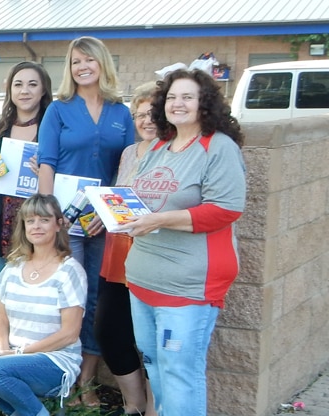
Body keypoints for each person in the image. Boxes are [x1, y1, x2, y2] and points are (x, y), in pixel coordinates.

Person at [123, 68, 247, 416]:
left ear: (204, 103)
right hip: (143, 279)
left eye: (188, 97)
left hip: (189, 284)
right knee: (157, 369)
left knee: (180, 373)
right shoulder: (159, 145)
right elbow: (142, 198)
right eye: (173, 97)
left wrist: (159, 220)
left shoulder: (218, 147)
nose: (178, 104)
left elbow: (226, 209)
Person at [37, 36, 135, 406]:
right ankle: (64, 376)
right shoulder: (58, 109)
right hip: (65, 218)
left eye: (89, 60)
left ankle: (87, 380)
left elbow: (128, 167)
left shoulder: (120, 112)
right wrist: (51, 215)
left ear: (102, 64)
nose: (82, 67)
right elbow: (47, 163)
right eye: (76, 61)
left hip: (103, 222)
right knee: (69, 298)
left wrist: (107, 215)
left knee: (97, 299)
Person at [0, 194, 87, 416]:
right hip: (12, 358)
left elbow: (69, 335)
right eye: (30, 220)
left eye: (44, 220)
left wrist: (19, 353)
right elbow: (1, 322)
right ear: (23, 226)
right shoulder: (14, 267)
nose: (37, 226)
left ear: (58, 224)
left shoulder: (69, 270)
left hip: (55, 362)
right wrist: (3, 351)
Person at [94, 83, 159, 416]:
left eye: (153, 113)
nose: (146, 120)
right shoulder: (129, 152)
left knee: (152, 341)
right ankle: (134, 404)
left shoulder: (176, 151)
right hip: (118, 254)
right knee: (108, 330)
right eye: (140, 114)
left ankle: (153, 408)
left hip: (155, 256)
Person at [0, 61, 53, 275]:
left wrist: (46, 175)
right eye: (18, 84)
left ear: (43, 90)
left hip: (40, 224)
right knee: (7, 294)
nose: (24, 91)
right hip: (5, 227)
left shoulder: (54, 130)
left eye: (32, 84)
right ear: (10, 90)